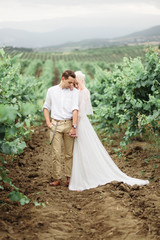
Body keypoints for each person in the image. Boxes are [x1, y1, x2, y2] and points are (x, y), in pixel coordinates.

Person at [69, 71, 149, 191]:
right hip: (78, 122)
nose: (76, 86)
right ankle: (80, 174)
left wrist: (74, 124)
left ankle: (86, 176)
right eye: (74, 83)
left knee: (85, 148)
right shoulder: (77, 92)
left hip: (81, 122)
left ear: (82, 81)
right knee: (79, 148)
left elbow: (81, 112)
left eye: (77, 83)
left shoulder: (85, 92)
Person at [43, 70, 79, 187]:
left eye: (73, 83)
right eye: (69, 82)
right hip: (56, 125)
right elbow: (46, 107)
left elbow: (75, 110)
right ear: (62, 79)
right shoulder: (51, 91)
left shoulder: (74, 92)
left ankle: (69, 178)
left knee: (69, 154)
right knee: (56, 154)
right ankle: (57, 178)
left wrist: (74, 127)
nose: (71, 85)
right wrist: (49, 123)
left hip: (68, 124)